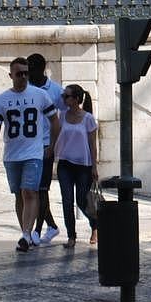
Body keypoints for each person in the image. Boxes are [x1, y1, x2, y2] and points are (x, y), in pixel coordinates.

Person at [0, 56, 62, 252]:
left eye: (26, 73)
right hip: (12, 155)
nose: (23, 77)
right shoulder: (1, 99)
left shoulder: (39, 95)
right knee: (19, 195)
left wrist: (51, 146)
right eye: (19, 73)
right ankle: (25, 233)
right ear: (10, 75)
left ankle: (27, 233)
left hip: (34, 153)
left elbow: (55, 120)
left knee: (30, 191)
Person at [26, 52, 64, 244]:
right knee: (33, 189)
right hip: (29, 146)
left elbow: (65, 114)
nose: (27, 74)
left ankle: (38, 230)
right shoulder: (26, 90)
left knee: (42, 189)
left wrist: (57, 144)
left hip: (47, 146)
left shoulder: (56, 91)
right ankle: (51, 226)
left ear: (40, 69)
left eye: (29, 70)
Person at [55, 84, 99, 245]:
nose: (63, 99)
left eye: (66, 96)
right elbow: (57, 136)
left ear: (76, 99)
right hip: (65, 163)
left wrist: (94, 166)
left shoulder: (88, 118)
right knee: (67, 200)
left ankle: (95, 225)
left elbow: (93, 145)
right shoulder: (62, 115)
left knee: (82, 200)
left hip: (83, 166)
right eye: (63, 96)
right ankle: (71, 236)